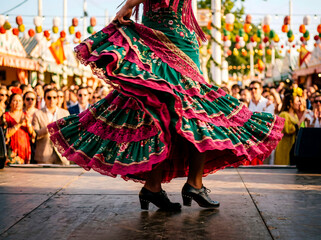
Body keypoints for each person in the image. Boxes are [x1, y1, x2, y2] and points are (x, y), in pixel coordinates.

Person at [48, 0, 284, 211]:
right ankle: (188, 184)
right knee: (185, 112)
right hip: (167, 36)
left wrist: (131, 4)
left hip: (169, 37)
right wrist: (131, 3)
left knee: (164, 112)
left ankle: (160, 186)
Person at [33, 88, 70, 164]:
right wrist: (48, 127)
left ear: (57, 99)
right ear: (45, 99)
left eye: (54, 97)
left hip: (62, 156)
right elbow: (35, 134)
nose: (52, 100)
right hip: (44, 155)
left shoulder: (65, 113)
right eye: (49, 98)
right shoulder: (37, 114)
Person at [1, 91, 35, 165]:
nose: (17, 103)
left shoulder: (26, 115)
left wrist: (28, 124)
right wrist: (19, 124)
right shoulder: (5, 116)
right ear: (10, 102)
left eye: (20, 101)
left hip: (25, 147)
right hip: (11, 149)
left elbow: (33, 135)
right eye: (15, 100)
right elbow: (5, 134)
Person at [275, 92, 302, 165]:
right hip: (284, 148)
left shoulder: (295, 115)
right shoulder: (283, 115)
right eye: (297, 101)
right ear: (291, 103)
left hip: (292, 146)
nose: (299, 103)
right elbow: (289, 130)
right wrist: (302, 119)